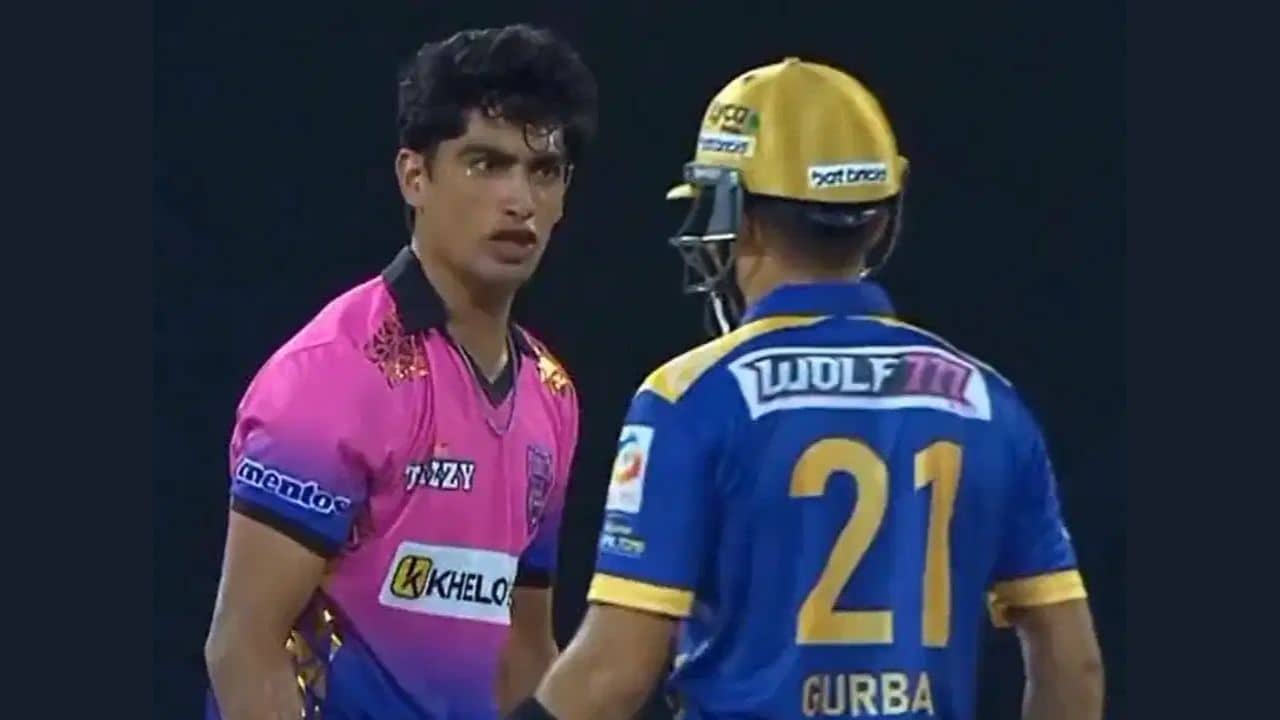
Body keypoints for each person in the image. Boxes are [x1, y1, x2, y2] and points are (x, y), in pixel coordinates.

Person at [509, 57, 1103, 720]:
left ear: (739, 217)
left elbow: (613, 671)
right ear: (881, 219)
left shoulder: (690, 399)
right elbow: (1071, 661)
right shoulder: (990, 402)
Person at [203, 24, 597, 720]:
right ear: (414, 176)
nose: (519, 200)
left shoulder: (552, 394)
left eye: (543, 171)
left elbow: (524, 652)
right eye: (485, 164)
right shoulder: (333, 378)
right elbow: (242, 649)